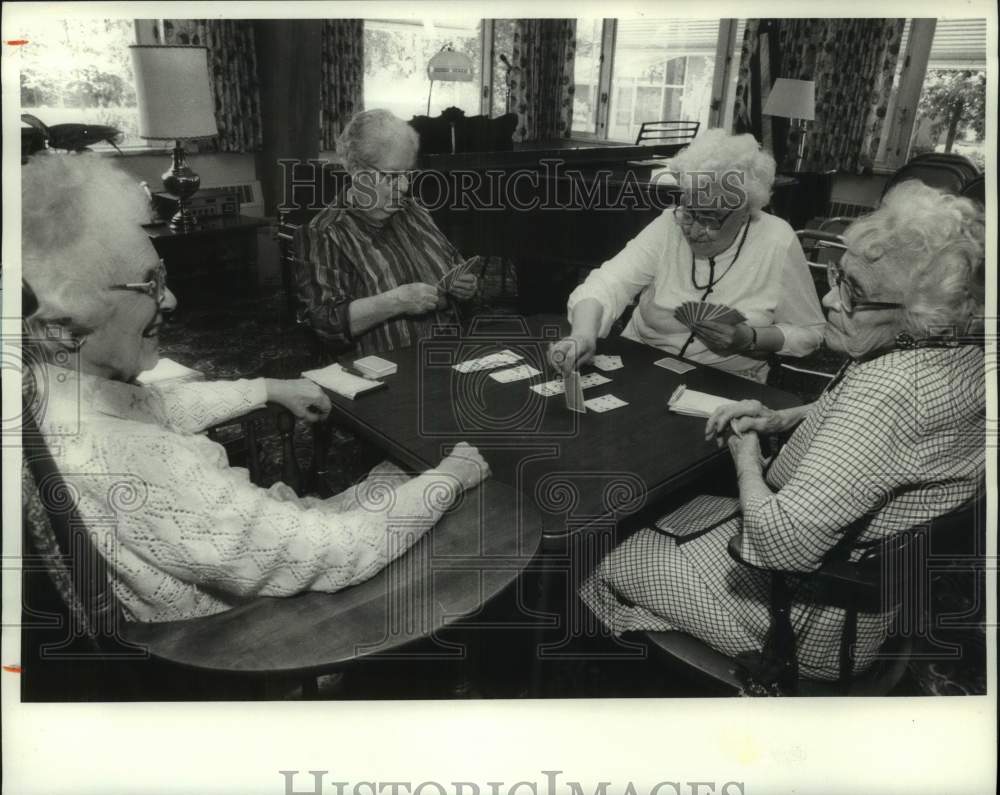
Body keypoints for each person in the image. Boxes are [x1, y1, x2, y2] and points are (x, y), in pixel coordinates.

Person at [22, 153, 490, 623]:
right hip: (256, 629)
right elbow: (333, 554)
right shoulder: (135, 460)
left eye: (163, 277)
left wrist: (267, 387)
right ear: (72, 310)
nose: (171, 299)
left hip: (262, 554)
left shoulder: (53, 385)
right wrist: (449, 479)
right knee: (469, 513)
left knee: (405, 471)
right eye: (149, 284)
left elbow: (152, 405)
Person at [579, 181, 985, 681]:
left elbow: (776, 545)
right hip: (867, 593)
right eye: (840, 276)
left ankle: (636, 689)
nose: (831, 298)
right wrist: (783, 418)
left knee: (596, 557)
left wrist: (746, 452)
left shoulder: (889, 393)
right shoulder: (959, 353)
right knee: (670, 511)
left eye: (854, 292)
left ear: (918, 310)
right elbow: (885, 440)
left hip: (806, 623)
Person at [548, 129, 825, 383]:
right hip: (642, 365)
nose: (693, 229)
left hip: (725, 382)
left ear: (745, 211)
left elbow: (810, 334)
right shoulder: (669, 224)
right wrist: (582, 335)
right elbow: (608, 283)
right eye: (690, 211)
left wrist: (750, 338)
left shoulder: (777, 240)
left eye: (710, 218)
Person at [296, 108, 479, 355]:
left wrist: (463, 286)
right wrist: (395, 303)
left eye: (408, 174)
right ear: (357, 171)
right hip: (385, 372)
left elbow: (452, 266)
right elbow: (325, 324)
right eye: (392, 176)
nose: (403, 187)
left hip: (448, 355)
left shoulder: (414, 211)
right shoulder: (325, 232)